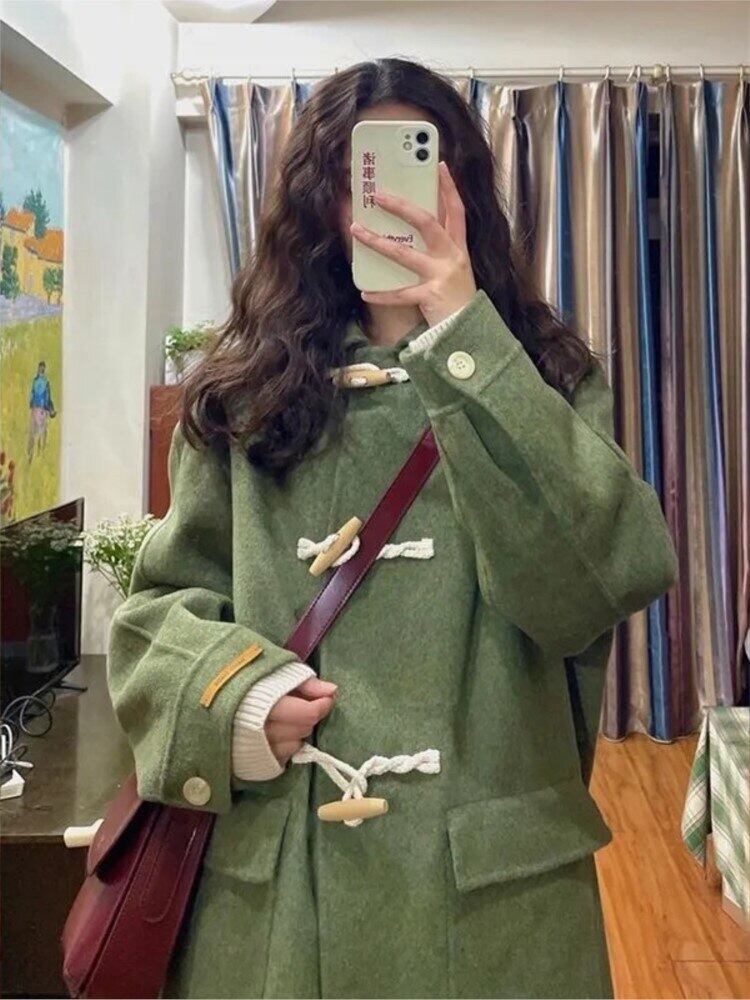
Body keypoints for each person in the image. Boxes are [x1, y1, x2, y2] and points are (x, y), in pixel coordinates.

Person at [107, 58, 678, 999]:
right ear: (317, 203)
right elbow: (158, 613)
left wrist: (464, 335)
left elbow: (594, 585)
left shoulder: (547, 380)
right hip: (279, 902)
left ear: (463, 192)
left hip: (493, 902)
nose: (387, 204)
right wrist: (237, 701)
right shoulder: (242, 398)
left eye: (421, 168)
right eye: (356, 176)